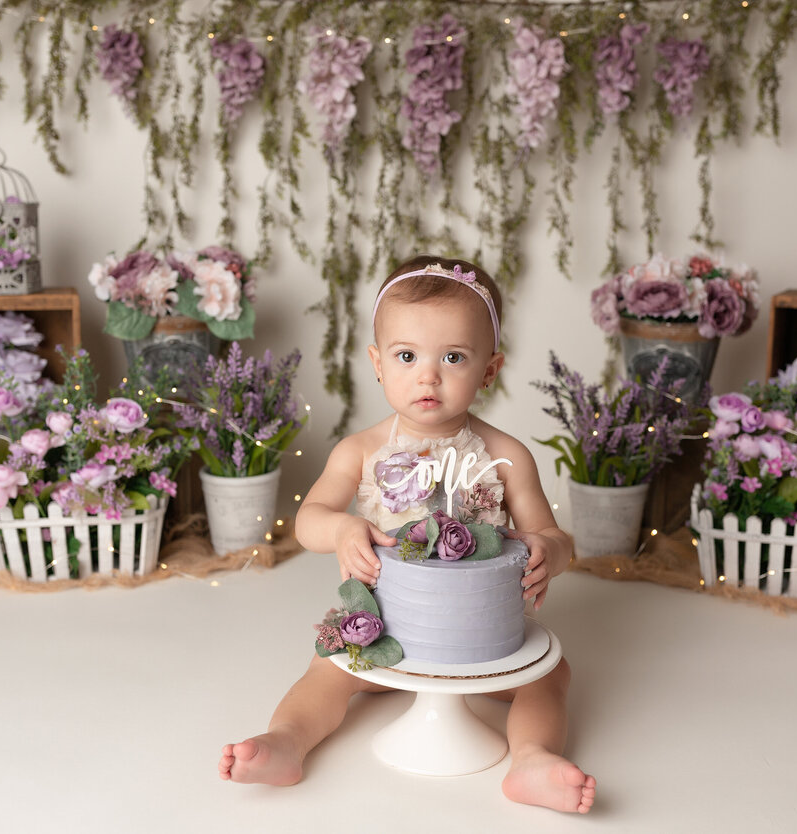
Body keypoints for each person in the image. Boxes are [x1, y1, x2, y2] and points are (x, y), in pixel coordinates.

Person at [218, 255, 595, 814]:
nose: (428, 375)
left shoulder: (507, 455)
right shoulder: (361, 450)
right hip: (385, 628)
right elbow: (308, 520)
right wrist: (344, 525)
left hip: (479, 640)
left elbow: (554, 535)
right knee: (327, 672)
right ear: (377, 362)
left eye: (453, 357)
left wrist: (549, 549)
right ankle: (287, 742)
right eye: (406, 356)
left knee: (549, 677)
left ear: (490, 370)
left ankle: (531, 759)